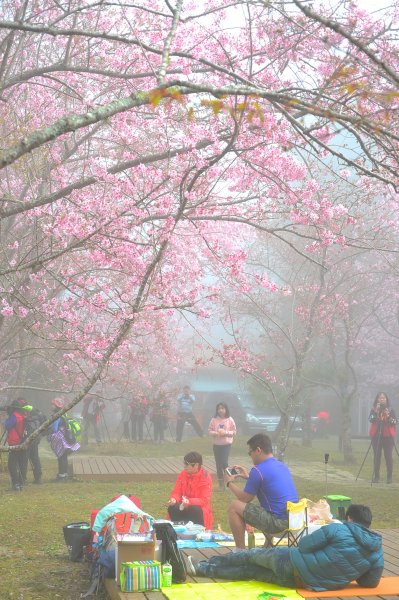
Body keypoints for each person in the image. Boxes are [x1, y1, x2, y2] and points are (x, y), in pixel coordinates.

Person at [187, 504, 384, 592]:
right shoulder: (378, 551)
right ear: (368, 524)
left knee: (249, 556)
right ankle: (203, 568)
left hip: (290, 560)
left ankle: (202, 566)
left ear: (349, 518)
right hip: (300, 583)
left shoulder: (337, 530)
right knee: (250, 572)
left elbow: (305, 545)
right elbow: (369, 583)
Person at [225, 432, 298, 549]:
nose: (250, 456)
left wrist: (229, 483)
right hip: (295, 521)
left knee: (234, 506)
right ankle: (268, 546)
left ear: (258, 450)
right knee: (268, 506)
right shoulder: (281, 465)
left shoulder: (258, 470)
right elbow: (268, 484)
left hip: (278, 525)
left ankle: (240, 552)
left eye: (250, 452)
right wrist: (248, 477)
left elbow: (245, 498)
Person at [166, 451, 213, 529]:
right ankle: (177, 532)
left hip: (198, 510)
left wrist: (189, 502)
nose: (184, 466)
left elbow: (204, 500)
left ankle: (197, 532)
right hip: (183, 506)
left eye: (187, 464)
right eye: (184, 463)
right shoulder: (183, 474)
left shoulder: (205, 477)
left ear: (196, 465)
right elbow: (176, 491)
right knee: (173, 507)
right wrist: (174, 499)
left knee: (194, 509)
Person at [48, 397, 80, 481]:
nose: (51, 406)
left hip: (60, 440)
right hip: (64, 439)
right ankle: (64, 474)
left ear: (57, 406)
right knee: (64, 457)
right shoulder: (63, 414)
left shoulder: (57, 416)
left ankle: (61, 475)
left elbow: (54, 429)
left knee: (61, 457)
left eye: (53, 404)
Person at [369, 392, 397, 484]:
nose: (382, 399)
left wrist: (388, 416)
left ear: (386, 399)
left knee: (388, 456)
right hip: (376, 435)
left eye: (383, 398)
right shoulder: (374, 409)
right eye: (380, 398)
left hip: (388, 436)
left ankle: (389, 477)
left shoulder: (390, 409)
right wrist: (376, 412)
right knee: (377, 456)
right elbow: (370, 419)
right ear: (377, 400)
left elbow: (395, 421)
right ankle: (376, 476)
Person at [208, 402, 236, 489]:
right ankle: (221, 485)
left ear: (226, 409)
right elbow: (209, 430)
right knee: (218, 465)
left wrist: (226, 433)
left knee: (224, 462)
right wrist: (216, 433)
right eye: (219, 408)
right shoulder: (214, 419)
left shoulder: (230, 419)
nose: (220, 410)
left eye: (222, 408)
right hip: (216, 445)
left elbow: (234, 432)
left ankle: (232, 477)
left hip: (226, 445)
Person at [4, 399, 28, 491]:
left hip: (14, 442)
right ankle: (21, 484)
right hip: (22, 441)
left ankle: (15, 485)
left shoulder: (14, 416)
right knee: (21, 463)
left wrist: (6, 420)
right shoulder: (22, 415)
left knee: (12, 464)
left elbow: (7, 426)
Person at [21, 400, 47, 484]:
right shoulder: (36, 412)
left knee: (24, 460)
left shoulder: (24, 410)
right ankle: (38, 478)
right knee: (35, 459)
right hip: (35, 439)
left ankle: (23, 479)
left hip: (28, 440)